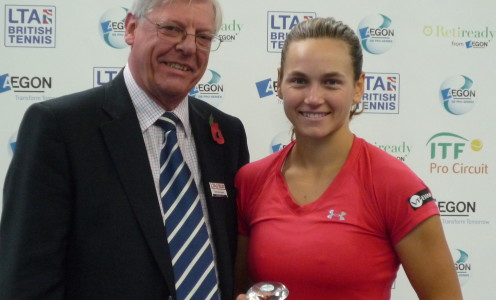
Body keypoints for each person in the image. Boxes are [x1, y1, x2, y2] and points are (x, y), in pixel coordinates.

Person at [0, 0, 249, 299]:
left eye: (203, 37)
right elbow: (27, 279)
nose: (188, 47)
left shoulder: (225, 133)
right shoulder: (61, 128)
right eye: (172, 29)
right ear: (130, 28)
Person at [234, 17, 462, 300]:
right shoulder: (250, 181)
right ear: (279, 83)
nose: (313, 97)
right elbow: (238, 289)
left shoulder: (395, 184)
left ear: (358, 87)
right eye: (299, 81)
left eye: (331, 82)